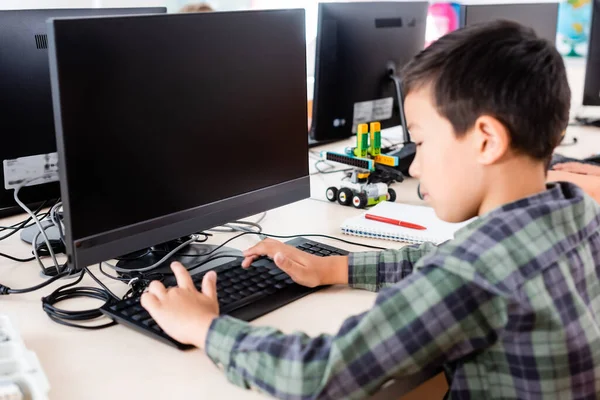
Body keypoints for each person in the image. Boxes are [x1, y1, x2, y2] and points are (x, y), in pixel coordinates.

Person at [141, 21, 600, 399]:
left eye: (420, 142)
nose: (415, 166)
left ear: (486, 139)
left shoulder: (476, 274)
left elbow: (319, 375)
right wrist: (333, 268)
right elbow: (437, 262)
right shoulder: (575, 212)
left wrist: (205, 327)